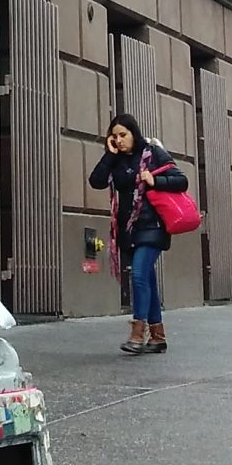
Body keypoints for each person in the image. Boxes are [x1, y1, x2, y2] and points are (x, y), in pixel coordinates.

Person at [89, 116, 186, 355]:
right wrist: (110, 154)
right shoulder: (116, 160)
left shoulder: (153, 153)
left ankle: (137, 333)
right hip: (128, 228)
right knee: (148, 280)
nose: (119, 140)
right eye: (115, 136)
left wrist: (156, 180)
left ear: (134, 133)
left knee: (140, 274)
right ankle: (158, 336)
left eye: (123, 135)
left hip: (152, 226)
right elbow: (96, 181)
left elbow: (181, 181)